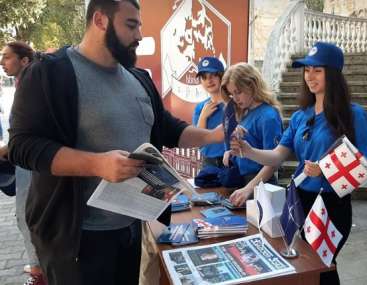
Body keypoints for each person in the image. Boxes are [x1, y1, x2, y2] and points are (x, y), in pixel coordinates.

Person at [7, 1, 221, 285]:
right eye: (131, 25)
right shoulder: (49, 73)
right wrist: (97, 164)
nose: (140, 36)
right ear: (100, 20)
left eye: (140, 26)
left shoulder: (138, 78)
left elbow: (167, 128)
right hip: (77, 242)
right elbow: (22, 146)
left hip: (130, 229)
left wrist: (215, 136)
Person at [230, 42, 367, 285]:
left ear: (333, 73)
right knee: (303, 267)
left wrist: (325, 169)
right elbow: (277, 156)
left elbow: (365, 165)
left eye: (317, 70)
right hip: (298, 201)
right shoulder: (300, 115)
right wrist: (248, 151)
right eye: (307, 71)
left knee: (322, 266)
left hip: (331, 205)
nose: (310, 76)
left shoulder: (354, 114)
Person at [0, 41, 46, 285]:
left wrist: (7, 149)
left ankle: (40, 273)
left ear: (25, 61)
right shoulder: (23, 86)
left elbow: (30, 134)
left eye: (7, 57)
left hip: (32, 165)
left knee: (26, 216)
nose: (2, 63)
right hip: (25, 164)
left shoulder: (33, 89)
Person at [220, 63, 283, 206]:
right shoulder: (246, 112)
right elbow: (250, 148)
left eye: (238, 92)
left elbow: (273, 163)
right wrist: (232, 153)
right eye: (231, 94)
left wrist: (249, 188)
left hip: (262, 184)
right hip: (245, 183)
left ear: (252, 85)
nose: (235, 98)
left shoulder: (268, 116)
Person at [192, 56, 225, 168]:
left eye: (213, 76)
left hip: (231, 161)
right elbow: (197, 142)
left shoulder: (234, 104)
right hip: (208, 163)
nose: (209, 81)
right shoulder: (200, 108)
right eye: (204, 77)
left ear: (221, 76)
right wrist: (203, 117)